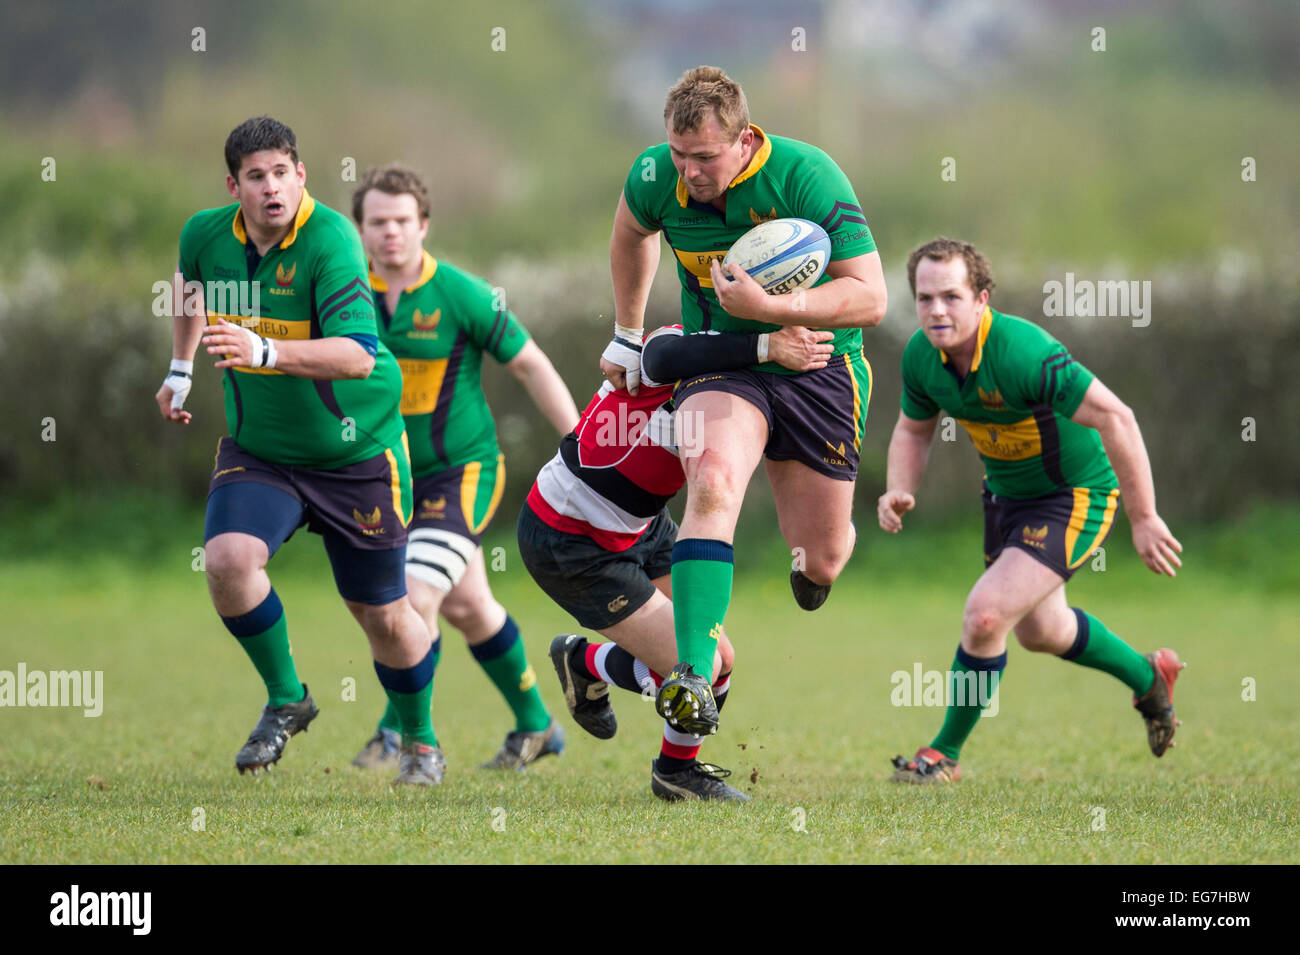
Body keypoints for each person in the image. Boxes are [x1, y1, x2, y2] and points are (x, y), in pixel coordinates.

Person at [600, 66, 887, 737]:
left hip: (820, 366)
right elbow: (629, 235)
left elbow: (871, 297)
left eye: (704, 158)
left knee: (819, 555)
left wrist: (774, 307)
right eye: (679, 155)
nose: (690, 172)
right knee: (713, 484)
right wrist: (626, 332)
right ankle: (695, 673)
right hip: (724, 360)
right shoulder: (653, 177)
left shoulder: (806, 175)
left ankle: (822, 558)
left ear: (743, 140)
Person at [154, 117, 441, 785]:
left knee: (385, 616)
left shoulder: (331, 241)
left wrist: (266, 351)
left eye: (282, 172)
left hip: (356, 454)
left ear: (301, 175)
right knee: (227, 560)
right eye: (256, 176)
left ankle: (421, 740)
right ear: (235, 186)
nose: (271, 187)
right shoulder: (204, 233)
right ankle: (288, 697)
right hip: (263, 450)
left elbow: (359, 355)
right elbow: (186, 286)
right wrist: (178, 366)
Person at [877, 237, 1186, 783]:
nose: (937, 310)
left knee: (986, 614)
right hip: (1006, 500)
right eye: (924, 298)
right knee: (1042, 630)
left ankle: (942, 755)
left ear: (982, 298)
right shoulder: (922, 357)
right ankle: (1148, 677)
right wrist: (899, 487)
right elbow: (912, 428)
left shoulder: (1021, 352)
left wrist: (1143, 517)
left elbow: (1118, 418)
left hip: (1074, 496)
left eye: (951, 295)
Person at [524, 323, 835, 801]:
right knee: (702, 669)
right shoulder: (691, 341)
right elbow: (659, 357)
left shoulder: (767, 374)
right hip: (571, 536)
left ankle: (599, 679)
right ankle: (669, 765)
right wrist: (765, 345)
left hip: (646, 525)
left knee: (719, 661)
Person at [349, 164, 580, 775]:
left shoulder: (460, 292)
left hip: (462, 473)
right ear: (360, 229)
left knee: (415, 596)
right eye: (378, 222)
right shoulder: (342, 295)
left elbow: (532, 365)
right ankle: (537, 725)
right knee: (470, 608)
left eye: (402, 221)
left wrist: (583, 448)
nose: (390, 233)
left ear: (423, 225)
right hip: (384, 478)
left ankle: (402, 736)